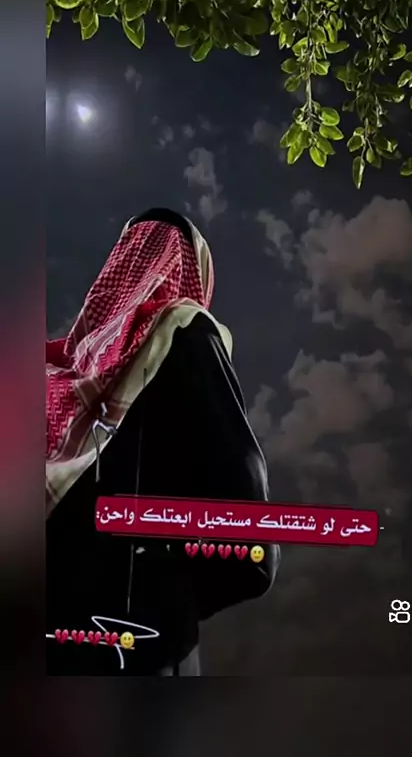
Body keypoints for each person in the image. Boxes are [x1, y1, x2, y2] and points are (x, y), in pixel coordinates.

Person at [46, 208, 279, 675]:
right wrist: (169, 589)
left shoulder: (53, 380)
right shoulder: (186, 331)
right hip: (147, 643)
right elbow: (250, 538)